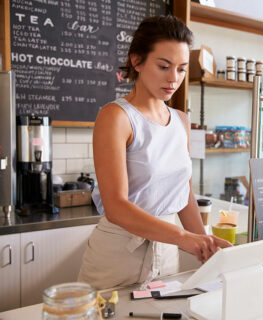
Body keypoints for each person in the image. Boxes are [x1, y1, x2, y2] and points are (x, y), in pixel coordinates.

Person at [78, 16, 231, 289]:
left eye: (182, 69)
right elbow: (115, 207)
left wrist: (207, 247)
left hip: (167, 255)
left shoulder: (181, 121)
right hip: (117, 258)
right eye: (164, 66)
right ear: (137, 61)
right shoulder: (116, 117)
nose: (174, 79)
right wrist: (183, 238)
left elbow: (183, 195)